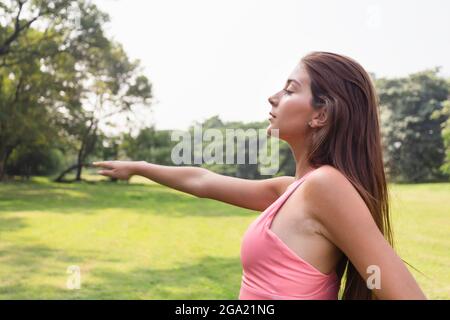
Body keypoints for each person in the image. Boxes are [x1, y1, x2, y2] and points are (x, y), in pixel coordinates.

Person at [93, 51, 427, 300]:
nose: (273, 97)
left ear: (320, 114)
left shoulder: (325, 187)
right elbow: (203, 182)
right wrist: (139, 168)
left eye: (291, 90)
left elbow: (400, 291)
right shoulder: (292, 190)